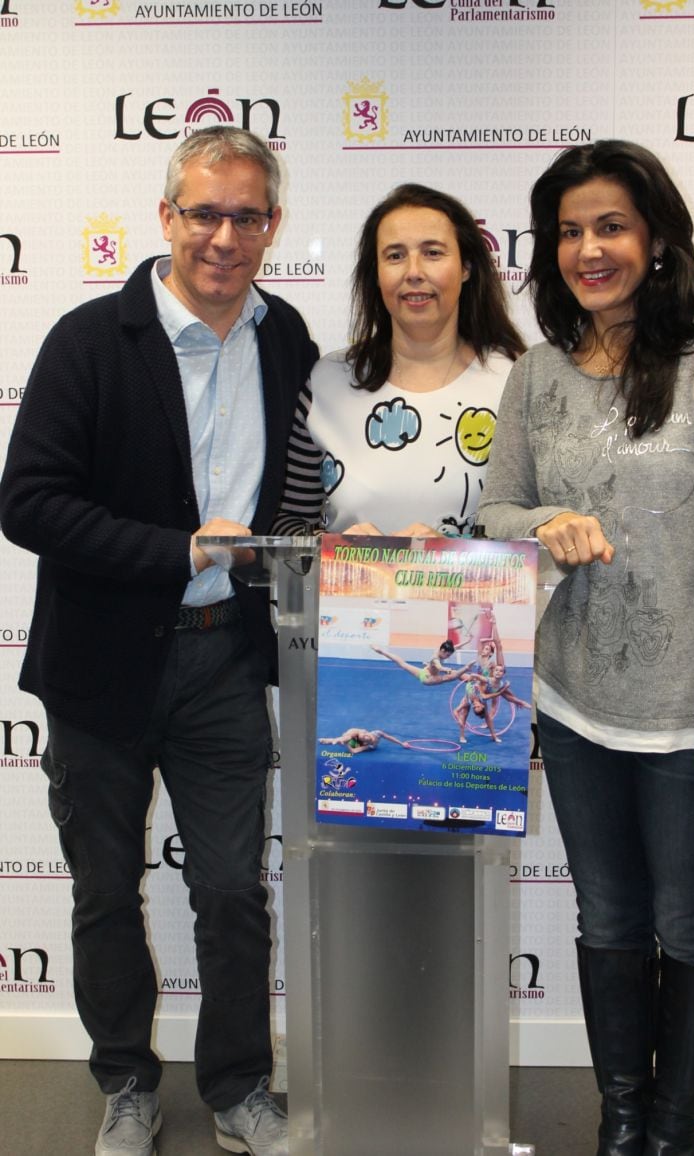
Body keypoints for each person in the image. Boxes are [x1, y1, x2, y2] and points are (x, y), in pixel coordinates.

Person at [0, 126, 318, 1156]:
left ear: (271, 225)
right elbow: (29, 503)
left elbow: (307, 485)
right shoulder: (91, 339)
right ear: (166, 217)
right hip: (100, 667)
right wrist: (173, 548)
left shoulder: (286, 337)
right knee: (102, 889)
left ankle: (236, 1086)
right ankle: (127, 1082)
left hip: (226, 657)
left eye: (244, 215)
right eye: (202, 213)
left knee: (231, 887)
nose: (222, 237)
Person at [478, 139, 694, 1156]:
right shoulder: (536, 372)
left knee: (687, 924)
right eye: (567, 230)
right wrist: (542, 519)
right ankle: (620, 1118)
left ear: (654, 236)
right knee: (605, 918)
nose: (587, 248)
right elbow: (495, 511)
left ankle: (672, 1131)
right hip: (571, 700)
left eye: (609, 225)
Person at [271, 182, 526, 538]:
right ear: (375, 273)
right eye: (394, 255)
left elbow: (536, 534)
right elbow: (285, 524)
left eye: (433, 253)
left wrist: (456, 560)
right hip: (346, 595)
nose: (414, 272)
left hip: (470, 596)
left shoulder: (518, 382)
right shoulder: (326, 382)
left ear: (466, 267)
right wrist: (335, 550)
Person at [371, 640, 473, 685]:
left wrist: (467, 641)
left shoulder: (440, 650)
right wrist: (445, 669)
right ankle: (467, 670)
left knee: (403, 664)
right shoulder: (435, 658)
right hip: (429, 679)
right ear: (443, 651)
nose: (448, 657)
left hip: (424, 672)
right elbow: (439, 666)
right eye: (448, 655)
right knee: (453, 676)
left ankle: (381, 651)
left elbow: (455, 647)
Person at [318, 727, 407, 753]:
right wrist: (401, 743)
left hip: (354, 742)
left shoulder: (370, 745)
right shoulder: (372, 733)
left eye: (366, 736)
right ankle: (337, 740)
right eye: (366, 735)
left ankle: (332, 740)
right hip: (352, 734)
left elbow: (354, 751)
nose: (366, 735)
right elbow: (389, 737)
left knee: (347, 739)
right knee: (347, 737)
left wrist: (347, 744)